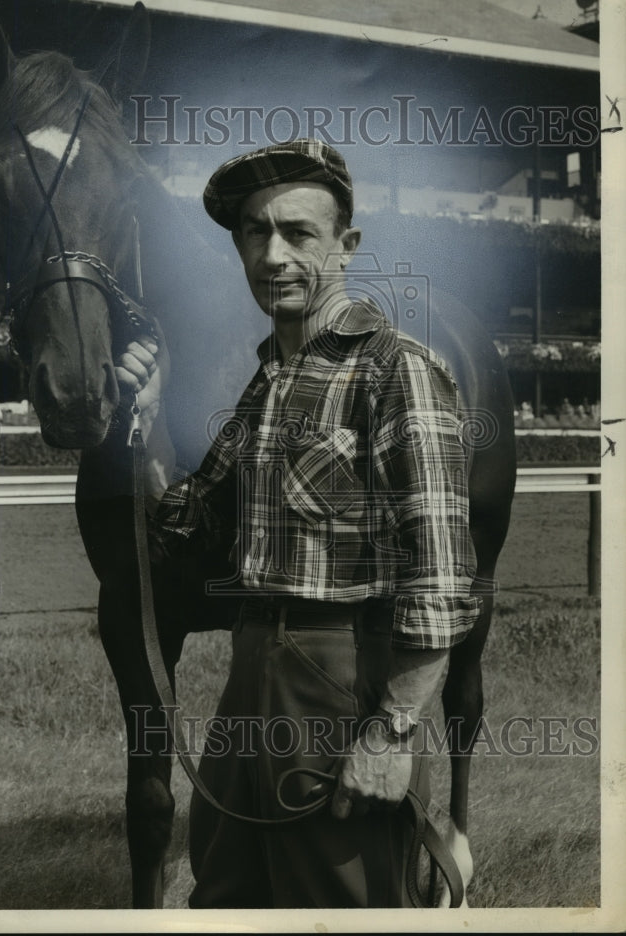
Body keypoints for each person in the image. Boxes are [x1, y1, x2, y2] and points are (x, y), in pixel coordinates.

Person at [115, 139, 479, 909]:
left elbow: (441, 578)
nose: (272, 254)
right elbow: (183, 524)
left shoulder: (394, 368)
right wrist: (139, 419)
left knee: (339, 901)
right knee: (222, 894)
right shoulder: (270, 382)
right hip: (252, 676)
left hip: (343, 675)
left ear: (345, 247)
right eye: (254, 231)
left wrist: (392, 731)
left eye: (298, 233)